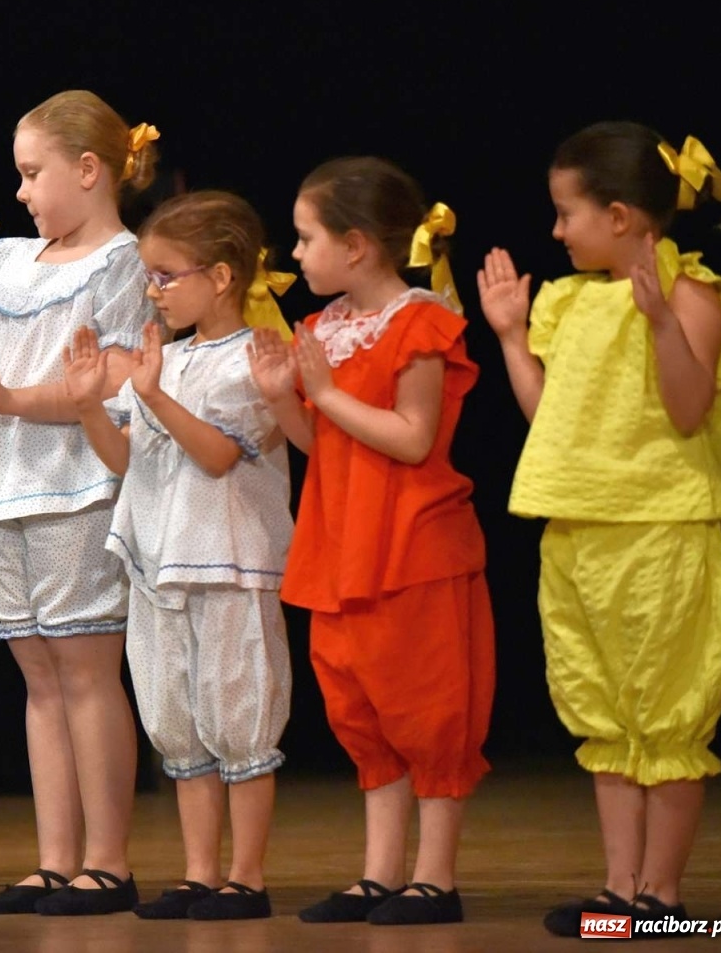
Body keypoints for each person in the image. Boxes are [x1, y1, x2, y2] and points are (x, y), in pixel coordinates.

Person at [0, 90, 161, 916]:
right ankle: (54, 860)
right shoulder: (6, 263)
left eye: (31, 173)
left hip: (75, 486)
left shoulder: (122, 262)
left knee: (84, 671)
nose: (19, 192)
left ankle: (107, 861)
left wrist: (9, 402)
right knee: (38, 678)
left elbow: (110, 386)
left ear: (88, 171)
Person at [476, 122, 721, 936]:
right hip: (578, 528)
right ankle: (620, 892)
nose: (556, 232)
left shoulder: (696, 298)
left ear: (622, 216)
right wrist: (512, 336)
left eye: (568, 213)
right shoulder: (566, 301)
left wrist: (661, 320)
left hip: (660, 531)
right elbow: (547, 419)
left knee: (664, 715)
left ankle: (662, 898)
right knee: (605, 715)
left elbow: (688, 407)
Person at [249, 156, 493, 926]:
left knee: (428, 709)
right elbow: (325, 446)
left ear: (355, 245)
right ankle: (381, 873)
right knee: (362, 713)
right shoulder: (322, 327)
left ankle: (435, 877)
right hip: (340, 542)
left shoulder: (420, 322)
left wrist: (319, 393)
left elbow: (414, 439)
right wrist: (283, 402)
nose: (296, 254)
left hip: (411, 544)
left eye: (305, 237)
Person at [65, 191, 293, 921]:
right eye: (149, 279)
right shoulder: (166, 357)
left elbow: (220, 454)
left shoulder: (254, 358)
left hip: (226, 563)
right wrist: (89, 407)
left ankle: (247, 877)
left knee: (239, 718)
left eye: (165, 276)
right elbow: (126, 461)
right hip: (158, 561)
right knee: (179, 721)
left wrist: (153, 394)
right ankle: (200, 873)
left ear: (221, 276)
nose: (153, 292)